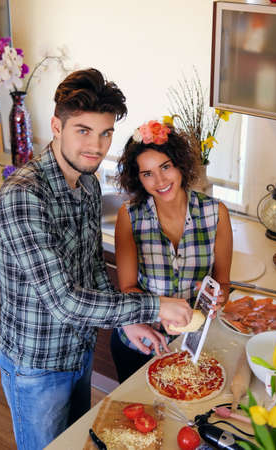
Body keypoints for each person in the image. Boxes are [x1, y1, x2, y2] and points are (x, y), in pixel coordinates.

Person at [0, 70, 193, 450]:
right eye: (83, 130)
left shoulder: (88, 183)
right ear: (56, 125)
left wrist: (131, 321)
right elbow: (65, 301)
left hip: (78, 352)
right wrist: (156, 305)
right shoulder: (24, 197)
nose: (96, 146)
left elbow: (91, 269)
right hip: (38, 366)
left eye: (105, 133)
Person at [111, 119, 233, 383]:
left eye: (165, 167)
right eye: (147, 173)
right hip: (140, 343)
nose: (160, 180)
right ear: (138, 178)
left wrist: (216, 295)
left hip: (193, 346)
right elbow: (128, 289)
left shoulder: (216, 214)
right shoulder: (130, 216)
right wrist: (159, 311)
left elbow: (223, 282)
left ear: (180, 164)